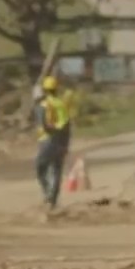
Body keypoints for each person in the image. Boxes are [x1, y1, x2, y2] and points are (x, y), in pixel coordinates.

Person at [32, 75, 74, 210]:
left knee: (40, 168)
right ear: (56, 89)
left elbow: (43, 124)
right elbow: (67, 126)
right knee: (56, 170)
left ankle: (48, 195)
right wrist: (66, 144)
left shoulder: (43, 105)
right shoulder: (62, 104)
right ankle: (53, 201)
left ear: (45, 90)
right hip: (61, 140)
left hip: (47, 140)